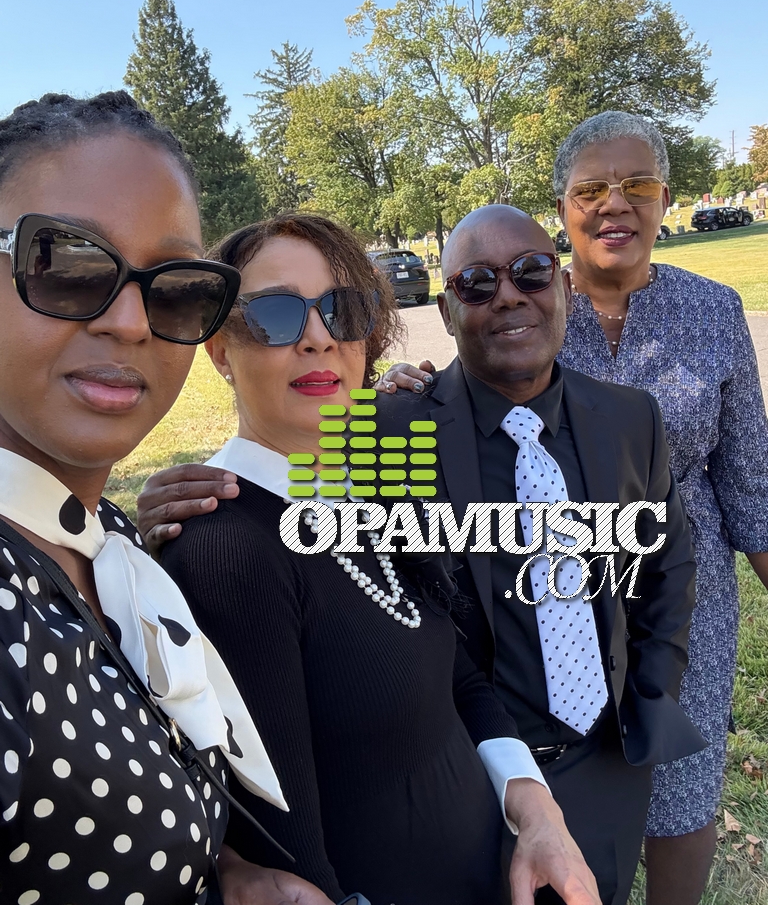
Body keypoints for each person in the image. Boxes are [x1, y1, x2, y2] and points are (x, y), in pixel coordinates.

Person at [139, 208, 705, 905]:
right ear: (221, 349)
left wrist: (562, 780)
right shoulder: (360, 454)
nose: (318, 337)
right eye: (273, 316)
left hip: (566, 784)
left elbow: (661, 568)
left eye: (343, 311)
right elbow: (288, 850)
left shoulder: (368, 485)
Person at [381, 112, 768, 905]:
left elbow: (743, 488)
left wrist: (652, 679)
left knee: (671, 807)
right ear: (563, 208)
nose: (615, 203)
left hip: (653, 637)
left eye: (637, 185)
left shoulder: (702, 323)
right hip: (492, 704)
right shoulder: (419, 410)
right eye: (592, 190)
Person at [0, 91, 335, 905]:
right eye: (68, 264)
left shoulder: (101, 538)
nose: (130, 322)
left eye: (176, 287)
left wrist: (230, 875)